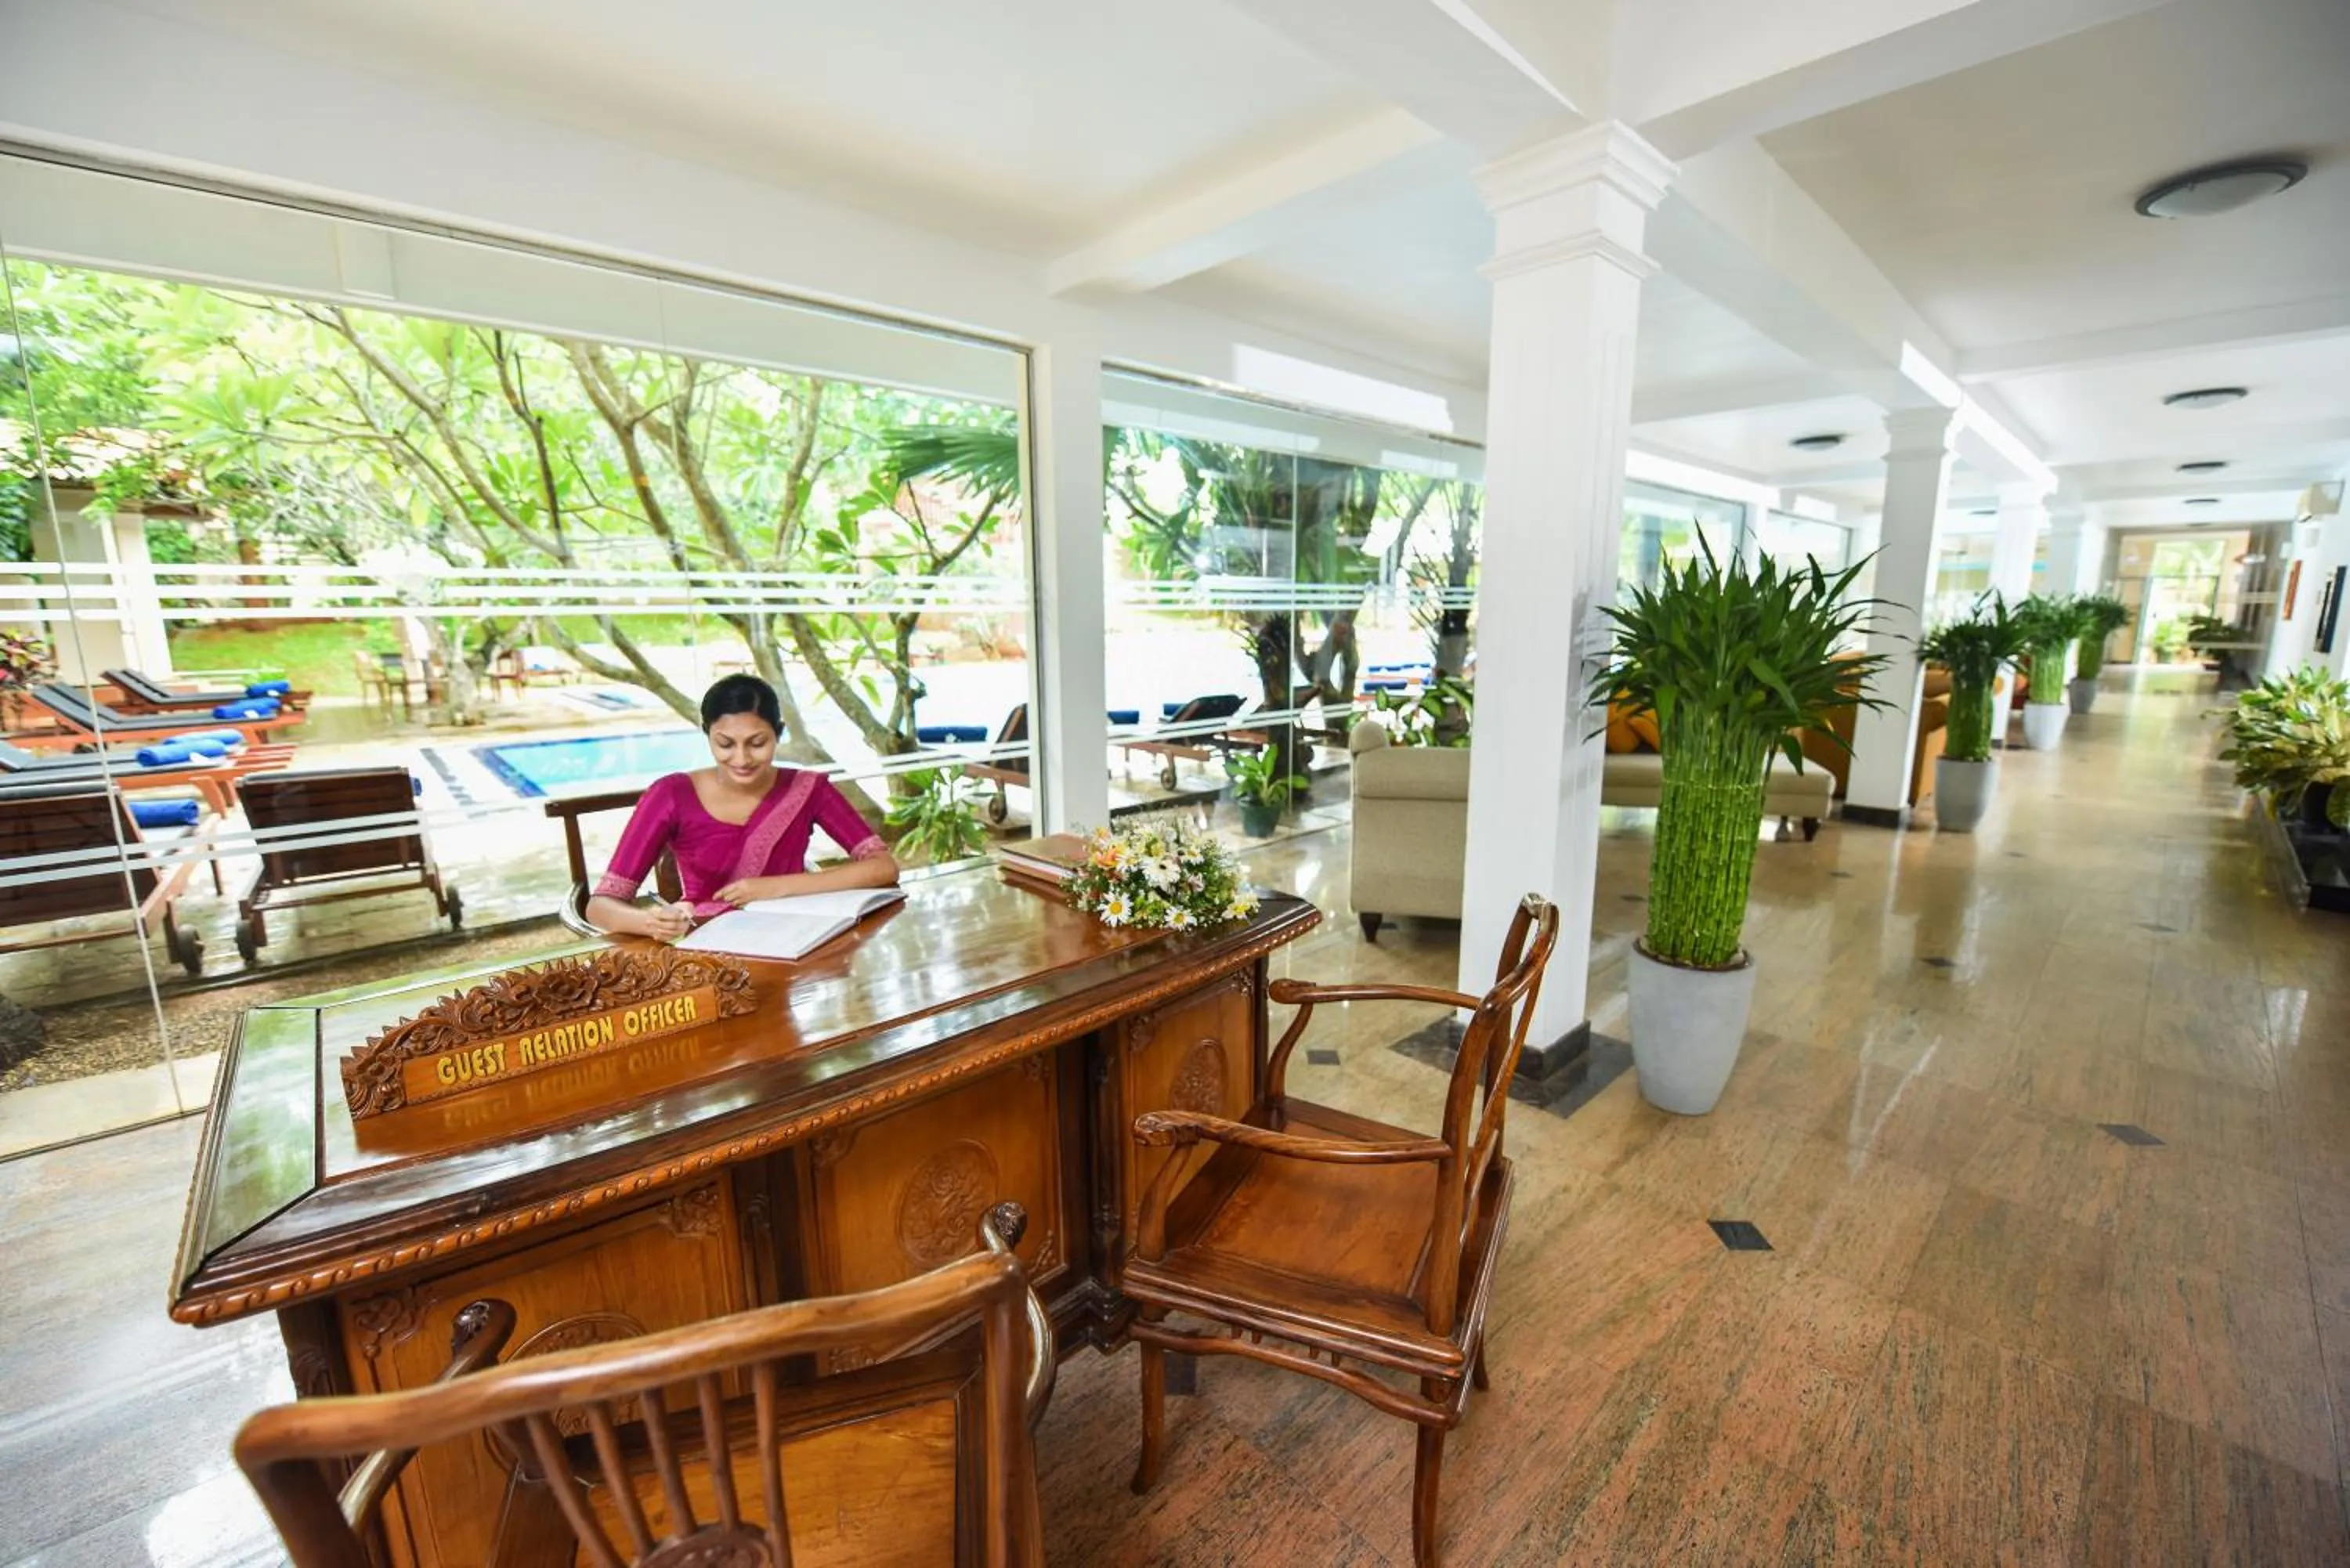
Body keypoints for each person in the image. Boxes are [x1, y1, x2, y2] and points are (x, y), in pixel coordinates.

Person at [585, 674, 898, 941]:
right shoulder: (670, 794)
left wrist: (773, 888)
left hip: (796, 936)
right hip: (707, 940)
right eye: (725, 744)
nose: (742, 758)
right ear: (707, 734)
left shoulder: (808, 789)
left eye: (757, 743)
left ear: (779, 732)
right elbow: (600, 906)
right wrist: (650, 923)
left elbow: (882, 867)